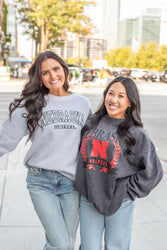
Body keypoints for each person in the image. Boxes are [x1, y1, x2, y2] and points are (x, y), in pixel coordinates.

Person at [0, 50, 91, 250]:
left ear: (64, 69)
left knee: (64, 243)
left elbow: (91, 143)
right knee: (60, 243)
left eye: (56, 69)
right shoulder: (31, 104)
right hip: (40, 181)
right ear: (39, 78)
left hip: (71, 182)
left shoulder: (83, 104)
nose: (53, 76)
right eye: (45, 73)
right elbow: (5, 138)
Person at [75, 76, 163, 250]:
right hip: (89, 198)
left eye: (121, 96)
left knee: (116, 247)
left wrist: (127, 190)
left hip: (119, 201)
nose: (113, 99)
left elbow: (154, 171)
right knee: (88, 247)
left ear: (130, 102)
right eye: (110, 93)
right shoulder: (91, 123)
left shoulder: (135, 132)